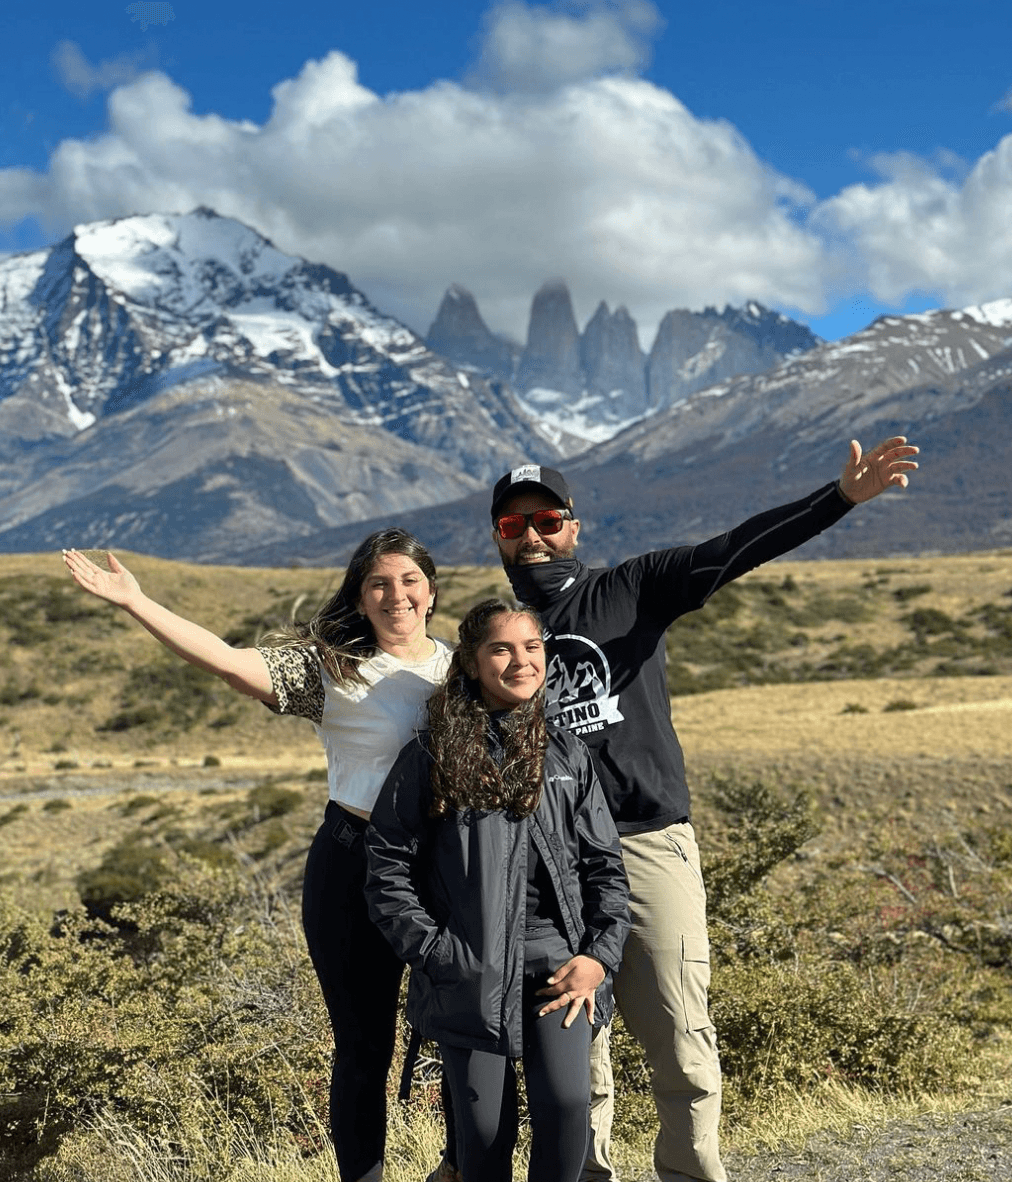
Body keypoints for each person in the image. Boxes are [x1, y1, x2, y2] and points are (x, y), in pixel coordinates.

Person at [470, 436, 919, 1182]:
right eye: (513, 527)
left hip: (648, 846)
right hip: (550, 864)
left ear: (573, 525)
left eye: (546, 520)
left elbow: (734, 549)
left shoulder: (632, 588)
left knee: (680, 1037)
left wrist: (837, 499)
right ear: (498, 538)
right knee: (576, 1059)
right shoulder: (499, 639)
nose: (533, 537)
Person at [62, 528, 452, 1182]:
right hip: (352, 867)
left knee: (461, 1035)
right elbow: (224, 659)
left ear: (432, 591)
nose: (396, 596)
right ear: (359, 596)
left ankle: (460, 1166)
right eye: (379, 583)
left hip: (442, 873)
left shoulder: (462, 667)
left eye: (409, 582)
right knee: (364, 1050)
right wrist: (135, 602)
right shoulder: (331, 667)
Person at [363, 599, 631, 1182]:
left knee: (566, 1109)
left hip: (561, 969)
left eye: (531, 647)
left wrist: (598, 957)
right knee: (484, 1136)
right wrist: (436, 952)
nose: (520, 661)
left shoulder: (567, 753)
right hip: (470, 970)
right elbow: (386, 866)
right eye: (501, 649)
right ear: (473, 662)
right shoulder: (432, 754)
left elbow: (605, 867)